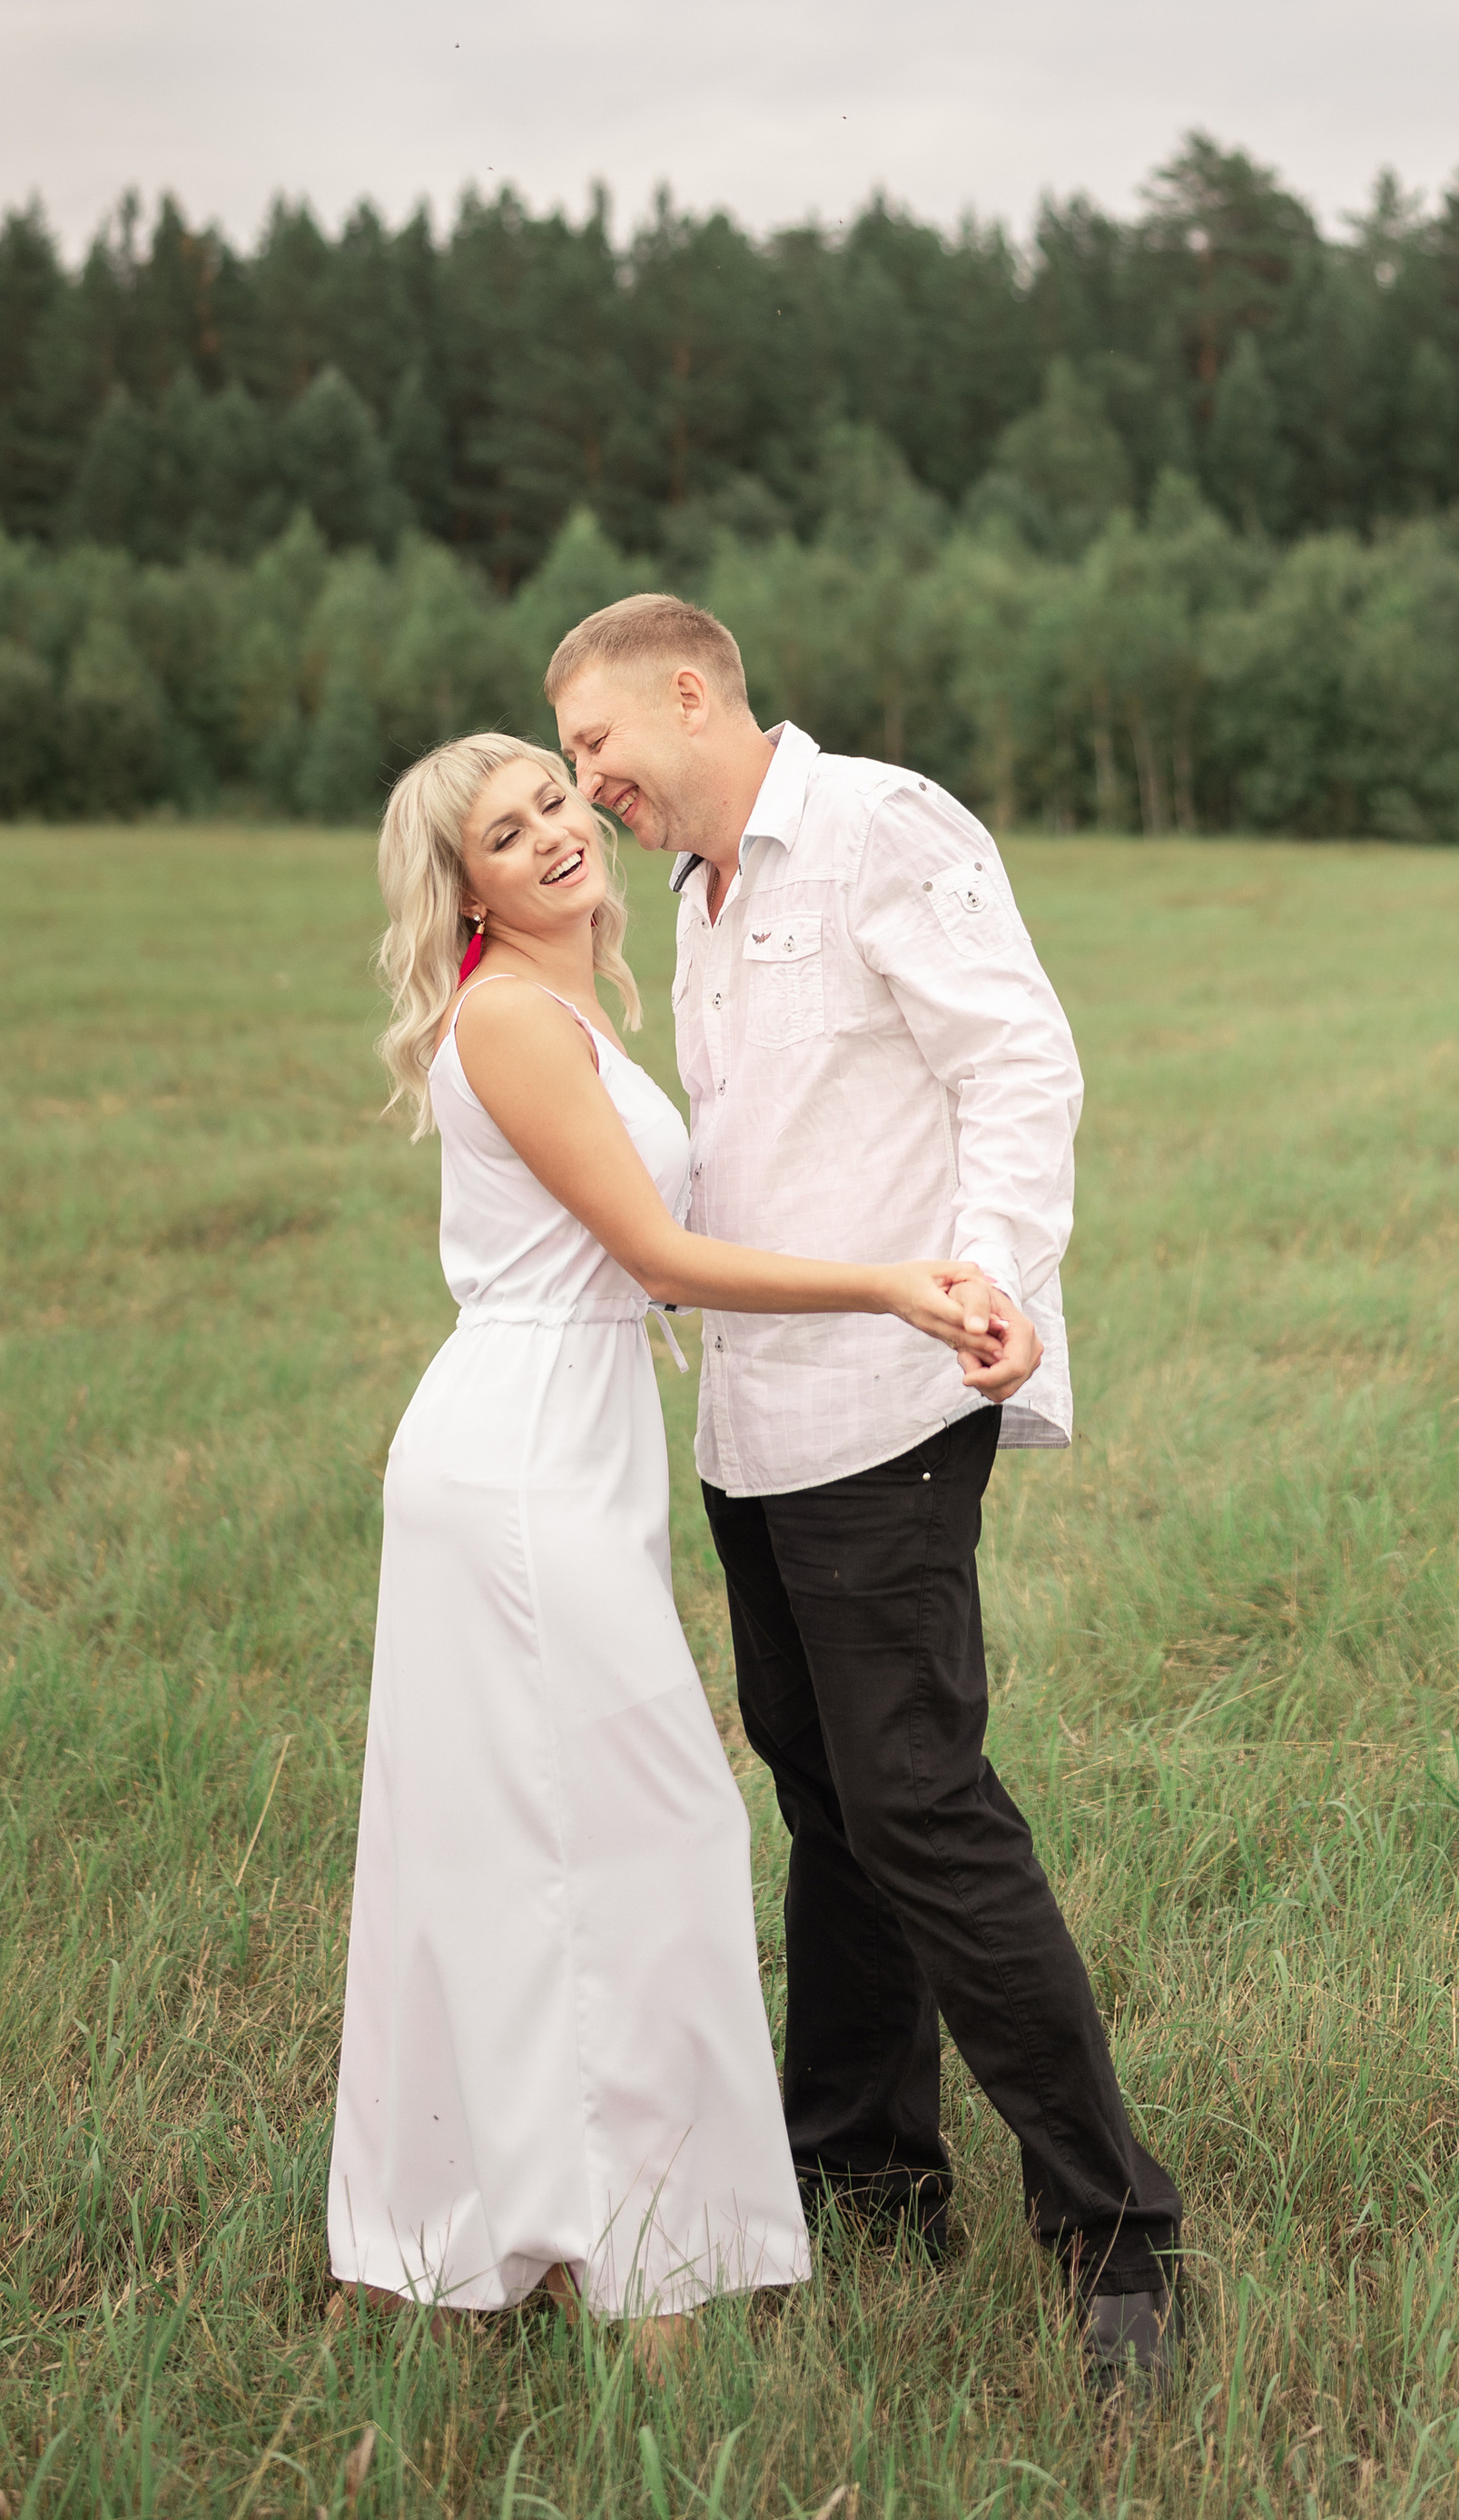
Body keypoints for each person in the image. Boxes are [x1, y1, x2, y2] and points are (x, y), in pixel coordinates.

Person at [547, 596, 1184, 2395]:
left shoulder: (882, 828)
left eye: (603, 748)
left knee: (918, 1803)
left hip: (893, 1396)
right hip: (758, 1420)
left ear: (691, 691)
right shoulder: (697, 889)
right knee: (827, 1799)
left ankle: (1117, 2236)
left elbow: (1017, 1063)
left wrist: (989, 1274)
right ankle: (865, 2178)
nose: (593, 790)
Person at [326, 729, 1009, 2351]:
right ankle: (644, 2275)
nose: (559, 831)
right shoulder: (507, 1019)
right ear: (466, 886)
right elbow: (661, 1256)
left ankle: (526, 2240)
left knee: (545, 1849)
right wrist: (894, 1281)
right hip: (518, 1462)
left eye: (559, 798)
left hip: (565, 1441)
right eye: (509, 830)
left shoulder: (567, 1005)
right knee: (635, 1841)